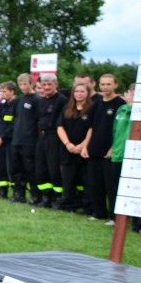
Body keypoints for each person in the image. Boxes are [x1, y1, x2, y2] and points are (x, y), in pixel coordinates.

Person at [84, 74, 126, 221]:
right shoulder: (97, 103)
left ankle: (114, 217)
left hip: (111, 152)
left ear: (116, 85)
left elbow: (121, 130)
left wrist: (113, 148)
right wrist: (85, 146)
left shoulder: (120, 104)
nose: (105, 87)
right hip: (94, 149)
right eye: (103, 84)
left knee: (111, 186)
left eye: (108, 84)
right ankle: (98, 212)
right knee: (95, 184)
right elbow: (91, 127)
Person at [56, 81, 93, 212]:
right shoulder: (67, 108)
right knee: (68, 179)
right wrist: (68, 144)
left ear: (88, 93)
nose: (79, 94)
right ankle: (69, 204)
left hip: (85, 150)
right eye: (76, 91)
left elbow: (92, 128)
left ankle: (87, 205)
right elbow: (60, 127)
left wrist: (83, 145)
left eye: (82, 91)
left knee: (86, 179)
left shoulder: (92, 108)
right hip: (67, 149)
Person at [34, 73, 67, 208]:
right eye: (44, 84)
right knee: (41, 168)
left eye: (49, 84)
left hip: (54, 137)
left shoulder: (61, 100)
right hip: (42, 137)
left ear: (56, 85)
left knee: (54, 169)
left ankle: (58, 198)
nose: (46, 87)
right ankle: (45, 196)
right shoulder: (41, 100)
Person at [110, 83, 139, 232]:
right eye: (132, 93)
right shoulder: (121, 109)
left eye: (136, 93)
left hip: (134, 156)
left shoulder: (134, 111)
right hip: (118, 154)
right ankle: (117, 219)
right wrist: (113, 148)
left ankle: (136, 223)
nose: (133, 96)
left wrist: (132, 106)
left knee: (134, 190)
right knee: (117, 187)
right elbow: (116, 131)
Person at [8, 73, 39, 203]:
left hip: (30, 141)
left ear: (31, 84)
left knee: (30, 169)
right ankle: (19, 194)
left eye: (25, 84)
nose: (22, 87)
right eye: (20, 84)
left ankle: (35, 195)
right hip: (16, 140)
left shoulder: (37, 100)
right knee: (16, 169)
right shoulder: (18, 100)